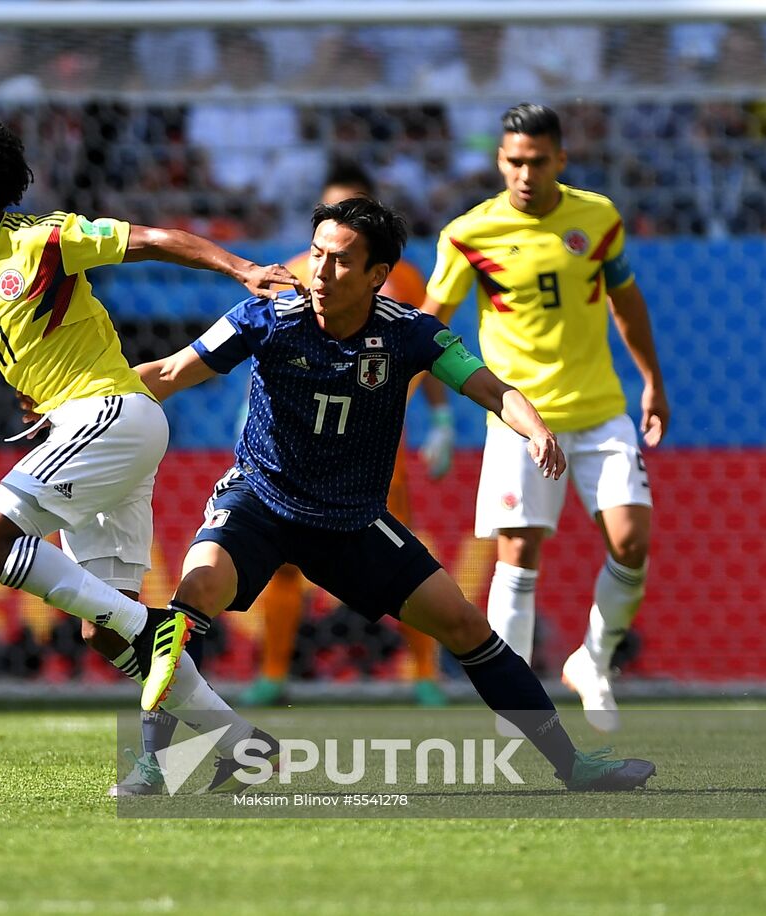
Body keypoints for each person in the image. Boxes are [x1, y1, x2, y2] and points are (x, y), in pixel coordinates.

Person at [133, 196, 655, 791]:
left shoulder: (408, 333)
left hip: (352, 521)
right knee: (193, 593)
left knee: (465, 624)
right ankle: (152, 763)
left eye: (340, 262)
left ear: (378, 275)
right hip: (261, 500)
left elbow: (488, 385)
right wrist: (93, 405)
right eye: (317, 256)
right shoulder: (266, 318)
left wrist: (535, 428)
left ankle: (573, 766)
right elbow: (170, 373)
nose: (321, 273)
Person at [0, 112, 299, 794]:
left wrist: (240, 267)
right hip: (83, 435)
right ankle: (241, 746)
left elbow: (153, 240)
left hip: (110, 416)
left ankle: (151, 628)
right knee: (104, 636)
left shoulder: (44, 241)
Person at [421, 104, 669, 733]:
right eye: (513, 161)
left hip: (600, 410)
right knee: (518, 552)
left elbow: (627, 303)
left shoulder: (597, 217)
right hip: (518, 416)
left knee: (632, 542)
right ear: (500, 162)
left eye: (537, 161)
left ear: (560, 159)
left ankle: (592, 658)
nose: (525, 173)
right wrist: (442, 412)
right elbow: (429, 327)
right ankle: (514, 705)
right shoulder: (468, 234)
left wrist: (653, 383)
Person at [240, 158, 452, 709]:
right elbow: (260, 359)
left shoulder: (402, 280)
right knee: (281, 559)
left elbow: (427, 352)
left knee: (399, 556)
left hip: (374, 446)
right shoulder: (292, 273)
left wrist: (442, 421)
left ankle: (425, 674)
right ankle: (273, 672)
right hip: (297, 446)